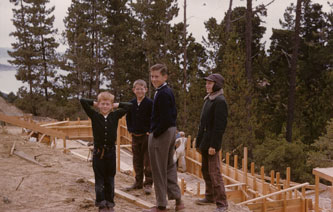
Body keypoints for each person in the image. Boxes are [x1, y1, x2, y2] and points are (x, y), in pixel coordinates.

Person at [80, 92, 132, 212]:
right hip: (98, 153)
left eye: (107, 104)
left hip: (111, 153)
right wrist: (95, 103)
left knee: (110, 178)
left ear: (111, 105)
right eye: (102, 104)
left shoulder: (115, 115)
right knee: (99, 179)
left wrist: (115, 105)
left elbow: (129, 106)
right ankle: (101, 203)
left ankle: (110, 203)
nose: (105, 106)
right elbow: (82, 101)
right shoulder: (94, 115)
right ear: (98, 105)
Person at [143, 64, 185, 212]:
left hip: (162, 133)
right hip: (170, 131)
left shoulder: (163, 93)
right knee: (169, 166)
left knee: (158, 169)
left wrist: (154, 132)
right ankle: (178, 201)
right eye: (152, 76)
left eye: (157, 76)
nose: (154, 79)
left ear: (165, 77)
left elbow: (166, 118)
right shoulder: (165, 91)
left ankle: (161, 205)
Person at [195, 73, 228, 212]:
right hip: (204, 141)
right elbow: (202, 124)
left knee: (215, 173)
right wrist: (198, 142)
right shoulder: (208, 99)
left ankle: (222, 204)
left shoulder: (220, 101)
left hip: (212, 143)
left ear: (217, 84)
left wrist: (214, 145)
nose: (207, 85)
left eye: (210, 83)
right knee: (205, 170)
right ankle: (210, 196)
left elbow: (219, 127)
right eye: (207, 83)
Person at [125, 79, 153, 195]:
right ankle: (138, 182)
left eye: (142, 89)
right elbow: (128, 118)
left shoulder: (150, 103)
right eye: (137, 89)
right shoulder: (131, 104)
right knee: (137, 160)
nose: (140, 91)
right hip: (135, 136)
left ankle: (148, 184)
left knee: (148, 161)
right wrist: (130, 130)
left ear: (146, 90)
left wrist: (150, 130)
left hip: (146, 136)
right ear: (133, 90)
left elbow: (154, 118)